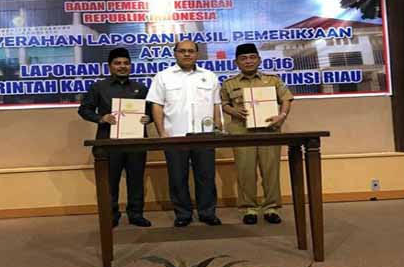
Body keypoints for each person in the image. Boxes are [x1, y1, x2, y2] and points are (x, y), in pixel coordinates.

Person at [146, 40, 222, 227]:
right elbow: (156, 105)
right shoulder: (163, 77)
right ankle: (183, 214)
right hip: (175, 135)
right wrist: (162, 132)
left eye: (190, 51)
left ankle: (207, 212)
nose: (187, 54)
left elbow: (216, 105)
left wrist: (218, 129)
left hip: (204, 135)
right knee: (177, 177)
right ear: (175, 53)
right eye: (182, 51)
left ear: (197, 54)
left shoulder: (209, 76)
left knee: (206, 176)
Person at [78, 47, 152, 228]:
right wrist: (101, 118)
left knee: (136, 180)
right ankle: (111, 214)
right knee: (110, 181)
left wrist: (148, 118)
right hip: (108, 143)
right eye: (117, 63)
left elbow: (151, 111)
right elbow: (84, 110)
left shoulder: (141, 88)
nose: (122, 66)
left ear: (131, 66)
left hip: (135, 143)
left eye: (126, 63)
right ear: (110, 66)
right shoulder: (99, 87)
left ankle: (136, 214)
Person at [220, 43, 293, 225]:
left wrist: (282, 115)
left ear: (259, 60)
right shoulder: (229, 83)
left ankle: (271, 208)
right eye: (243, 58)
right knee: (245, 171)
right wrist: (233, 111)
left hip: (269, 130)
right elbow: (223, 104)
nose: (248, 61)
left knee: (270, 170)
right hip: (242, 132)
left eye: (252, 57)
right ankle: (249, 208)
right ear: (236, 62)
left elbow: (286, 99)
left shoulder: (273, 80)